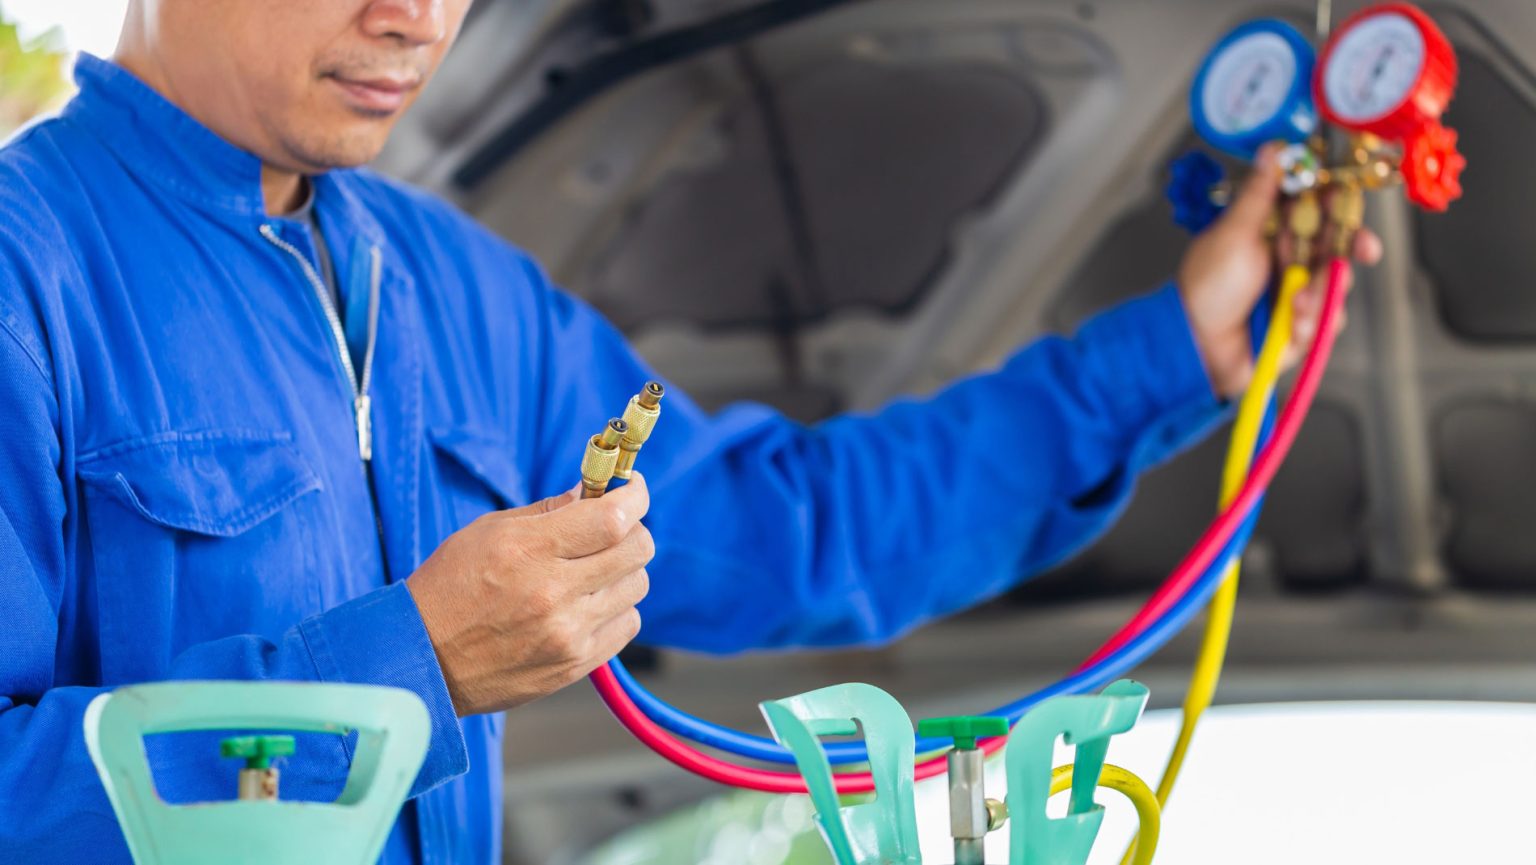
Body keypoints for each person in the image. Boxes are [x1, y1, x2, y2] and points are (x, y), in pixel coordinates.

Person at [0, 0, 1380, 861]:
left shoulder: (453, 289)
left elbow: (792, 528)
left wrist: (1173, 350)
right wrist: (400, 666)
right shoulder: (28, 269)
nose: (418, 17)